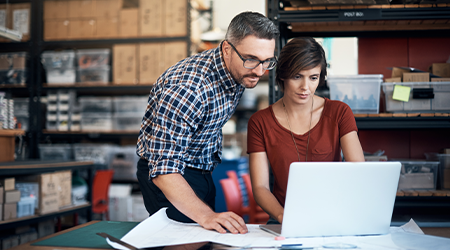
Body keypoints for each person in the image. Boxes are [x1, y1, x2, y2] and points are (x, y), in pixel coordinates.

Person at [136, 11, 279, 234]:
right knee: (182, 242)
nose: (260, 71)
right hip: (171, 176)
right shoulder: (188, 89)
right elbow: (164, 168)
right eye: (251, 59)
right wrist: (206, 215)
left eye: (267, 61)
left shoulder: (239, 69)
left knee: (207, 238)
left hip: (202, 169)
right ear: (226, 50)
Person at [247, 37, 365, 224]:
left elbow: (358, 172)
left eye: (313, 78)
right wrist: (282, 216)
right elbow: (260, 187)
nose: (305, 87)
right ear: (283, 75)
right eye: (297, 76)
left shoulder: (339, 112)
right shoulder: (260, 122)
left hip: (334, 216)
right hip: (284, 218)